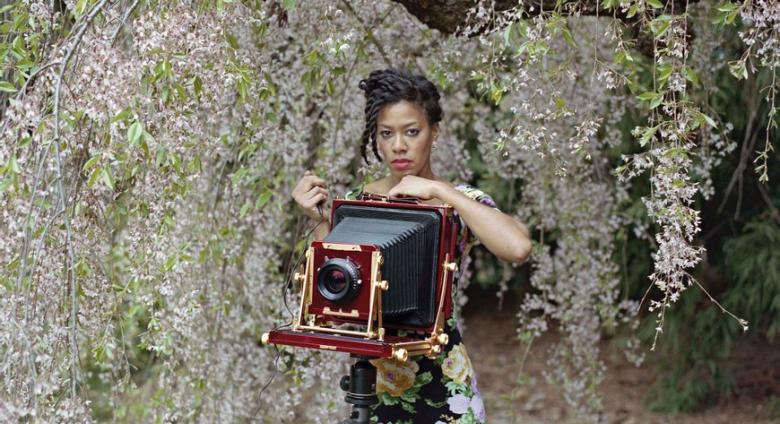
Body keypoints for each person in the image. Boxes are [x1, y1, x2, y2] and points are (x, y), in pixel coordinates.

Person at [291, 68, 531, 424]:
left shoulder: (458, 201)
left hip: (444, 382)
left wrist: (442, 192)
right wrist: (316, 218)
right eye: (386, 134)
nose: (398, 146)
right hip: (373, 381)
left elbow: (518, 248)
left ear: (435, 132)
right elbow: (329, 297)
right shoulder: (357, 203)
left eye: (412, 132)